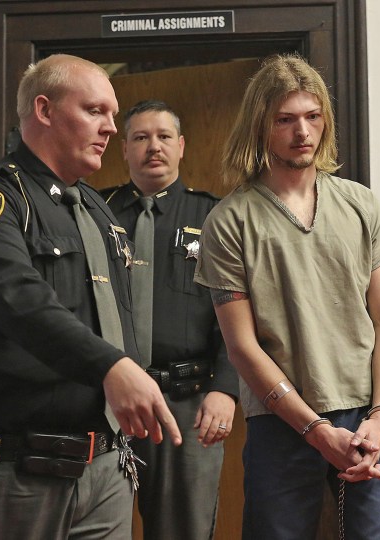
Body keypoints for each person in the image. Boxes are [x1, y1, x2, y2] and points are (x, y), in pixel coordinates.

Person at [0, 54, 181, 539]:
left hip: (105, 465)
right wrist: (111, 366)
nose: (110, 127)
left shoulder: (98, 212)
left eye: (112, 114)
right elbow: (21, 302)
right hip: (17, 468)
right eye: (94, 111)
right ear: (44, 110)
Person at [194, 54, 380, 539]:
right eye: (285, 120)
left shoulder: (360, 204)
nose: (302, 132)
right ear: (261, 127)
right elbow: (243, 347)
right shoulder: (230, 222)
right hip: (282, 420)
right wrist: (313, 429)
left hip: (368, 414)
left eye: (313, 117)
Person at [102, 100, 238, 540]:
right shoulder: (95, 214)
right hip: (105, 405)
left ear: (181, 146)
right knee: (98, 525)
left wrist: (226, 388)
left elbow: (239, 314)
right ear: (123, 148)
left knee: (183, 531)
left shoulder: (214, 217)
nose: (152, 147)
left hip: (185, 401)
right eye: (140, 137)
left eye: (163, 137)